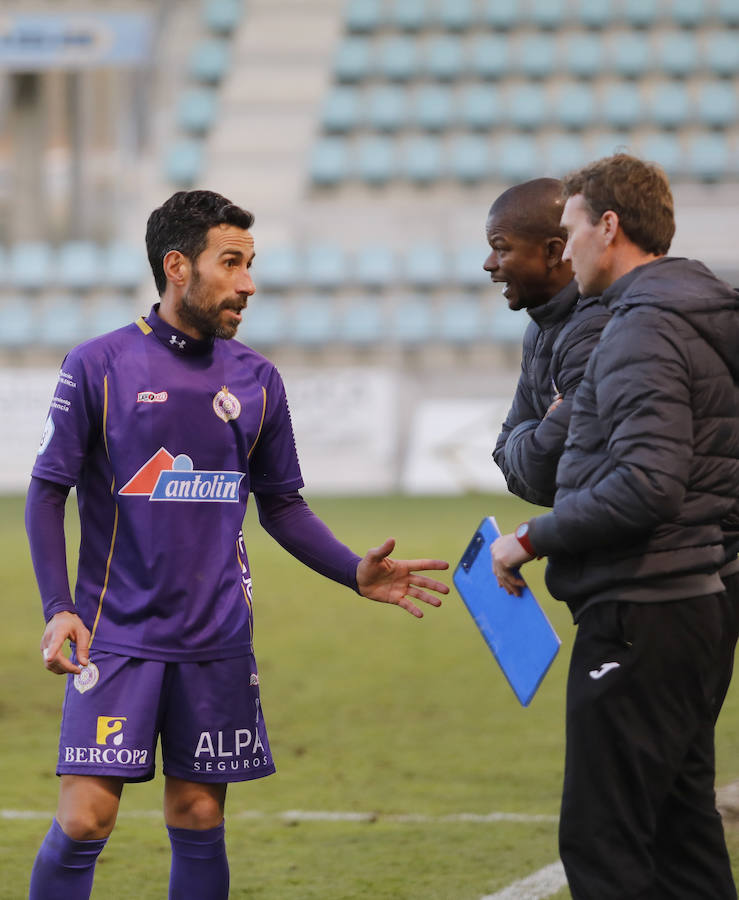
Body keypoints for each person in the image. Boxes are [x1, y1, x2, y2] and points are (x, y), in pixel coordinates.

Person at [25, 189, 450, 900]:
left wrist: (353, 571)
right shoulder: (97, 365)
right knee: (84, 819)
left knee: (197, 813)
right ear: (177, 266)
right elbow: (47, 492)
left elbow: (281, 505)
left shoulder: (257, 381)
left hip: (216, 639)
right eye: (231, 262)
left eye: (250, 263)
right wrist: (57, 606)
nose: (248, 282)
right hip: (115, 635)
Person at [491, 154, 739, 899]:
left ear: (608, 226)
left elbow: (645, 484)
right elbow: (526, 459)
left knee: (603, 840)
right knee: (680, 830)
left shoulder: (640, 327)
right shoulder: (698, 309)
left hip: (644, 601)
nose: (562, 250)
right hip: (696, 591)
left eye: (567, 231)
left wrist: (528, 539)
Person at [486, 178, 611, 507]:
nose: (489, 264)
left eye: (501, 248)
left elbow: (544, 467)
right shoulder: (539, 330)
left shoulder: (598, 324)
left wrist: (527, 435)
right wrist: (532, 433)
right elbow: (505, 456)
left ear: (553, 252)